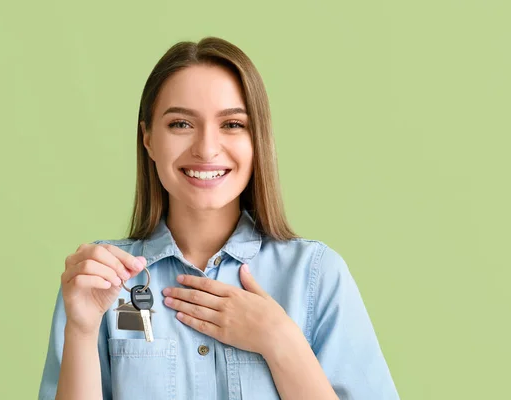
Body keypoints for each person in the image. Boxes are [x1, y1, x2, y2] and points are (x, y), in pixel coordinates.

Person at [38, 36, 399, 400]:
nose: (207, 148)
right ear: (147, 138)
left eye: (232, 125)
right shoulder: (100, 280)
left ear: (258, 138)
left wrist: (280, 341)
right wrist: (82, 331)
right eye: (181, 124)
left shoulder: (317, 275)